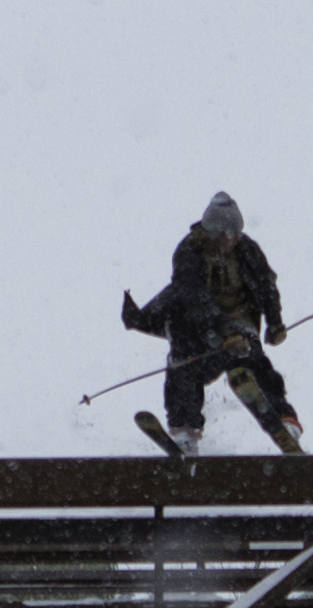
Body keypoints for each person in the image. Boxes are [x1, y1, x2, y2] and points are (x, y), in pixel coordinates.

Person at [118, 191, 302, 457]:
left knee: (253, 360)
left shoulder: (248, 250)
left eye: (236, 232)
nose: (231, 239)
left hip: (241, 324)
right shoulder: (188, 252)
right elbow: (195, 299)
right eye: (225, 233)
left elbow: (266, 285)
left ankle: (283, 422)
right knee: (183, 364)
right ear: (213, 231)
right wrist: (223, 333)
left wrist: (275, 324)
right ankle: (184, 431)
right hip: (197, 327)